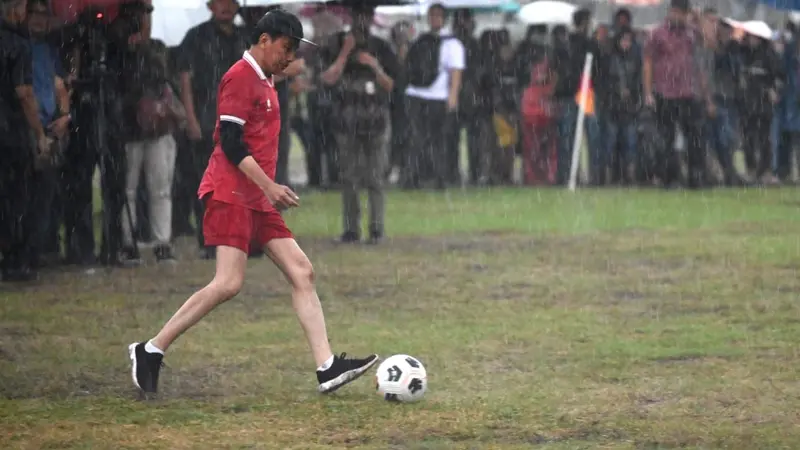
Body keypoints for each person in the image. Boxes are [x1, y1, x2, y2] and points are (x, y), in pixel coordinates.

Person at [128, 10, 378, 395]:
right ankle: (150, 350)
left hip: (256, 197)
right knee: (228, 283)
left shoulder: (265, 77)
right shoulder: (240, 77)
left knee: (302, 272)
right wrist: (271, 186)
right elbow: (230, 143)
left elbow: (283, 83)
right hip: (231, 193)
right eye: (286, 48)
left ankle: (327, 367)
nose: (289, 57)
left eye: (294, 51)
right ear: (264, 40)